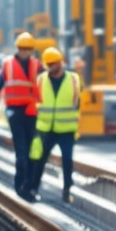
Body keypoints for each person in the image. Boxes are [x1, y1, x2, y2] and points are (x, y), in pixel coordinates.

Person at [30, 46, 81, 202]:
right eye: (49, 64)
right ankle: (33, 188)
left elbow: (77, 102)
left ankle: (67, 190)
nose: (51, 67)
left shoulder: (73, 79)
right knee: (39, 159)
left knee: (67, 161)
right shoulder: (41, 79)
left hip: (66, 129)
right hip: (46, 129)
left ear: (60, 63)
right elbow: (35, 101)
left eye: (54, 63)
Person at [0, 31, 42, 171]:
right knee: (21, 150)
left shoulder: (37, 65)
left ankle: (27, 183)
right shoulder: (8, 65)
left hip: (32, 111)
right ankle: (21, 182)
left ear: (31, 50)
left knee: (31, 149)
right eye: (22, 48)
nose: (24, 52)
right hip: (15, 112)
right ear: (17, 48)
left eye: (27, 49)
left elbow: (45, 85)